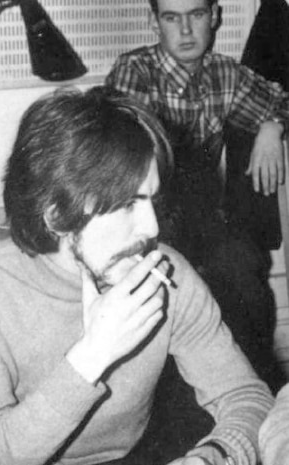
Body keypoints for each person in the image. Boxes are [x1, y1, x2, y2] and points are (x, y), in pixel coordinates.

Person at [0, 87, 274, 465]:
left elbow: (246, 397)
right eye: (128, 205)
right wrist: (93, 354)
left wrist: (211, 458)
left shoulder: (166, 273)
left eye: (151, 201)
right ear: (57, 215)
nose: (152, 227)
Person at [104, 0, 289, 391]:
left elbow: (278, 98)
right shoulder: (135, 72)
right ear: (154, 22)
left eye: (197, 15)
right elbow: (131, 159)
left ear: (216, 17)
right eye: (172, 17)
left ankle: (250, 391)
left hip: (205, 220)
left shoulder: (224, 73)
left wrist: (271, 126)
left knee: (244, 270)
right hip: (145, 220)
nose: (186, 31)